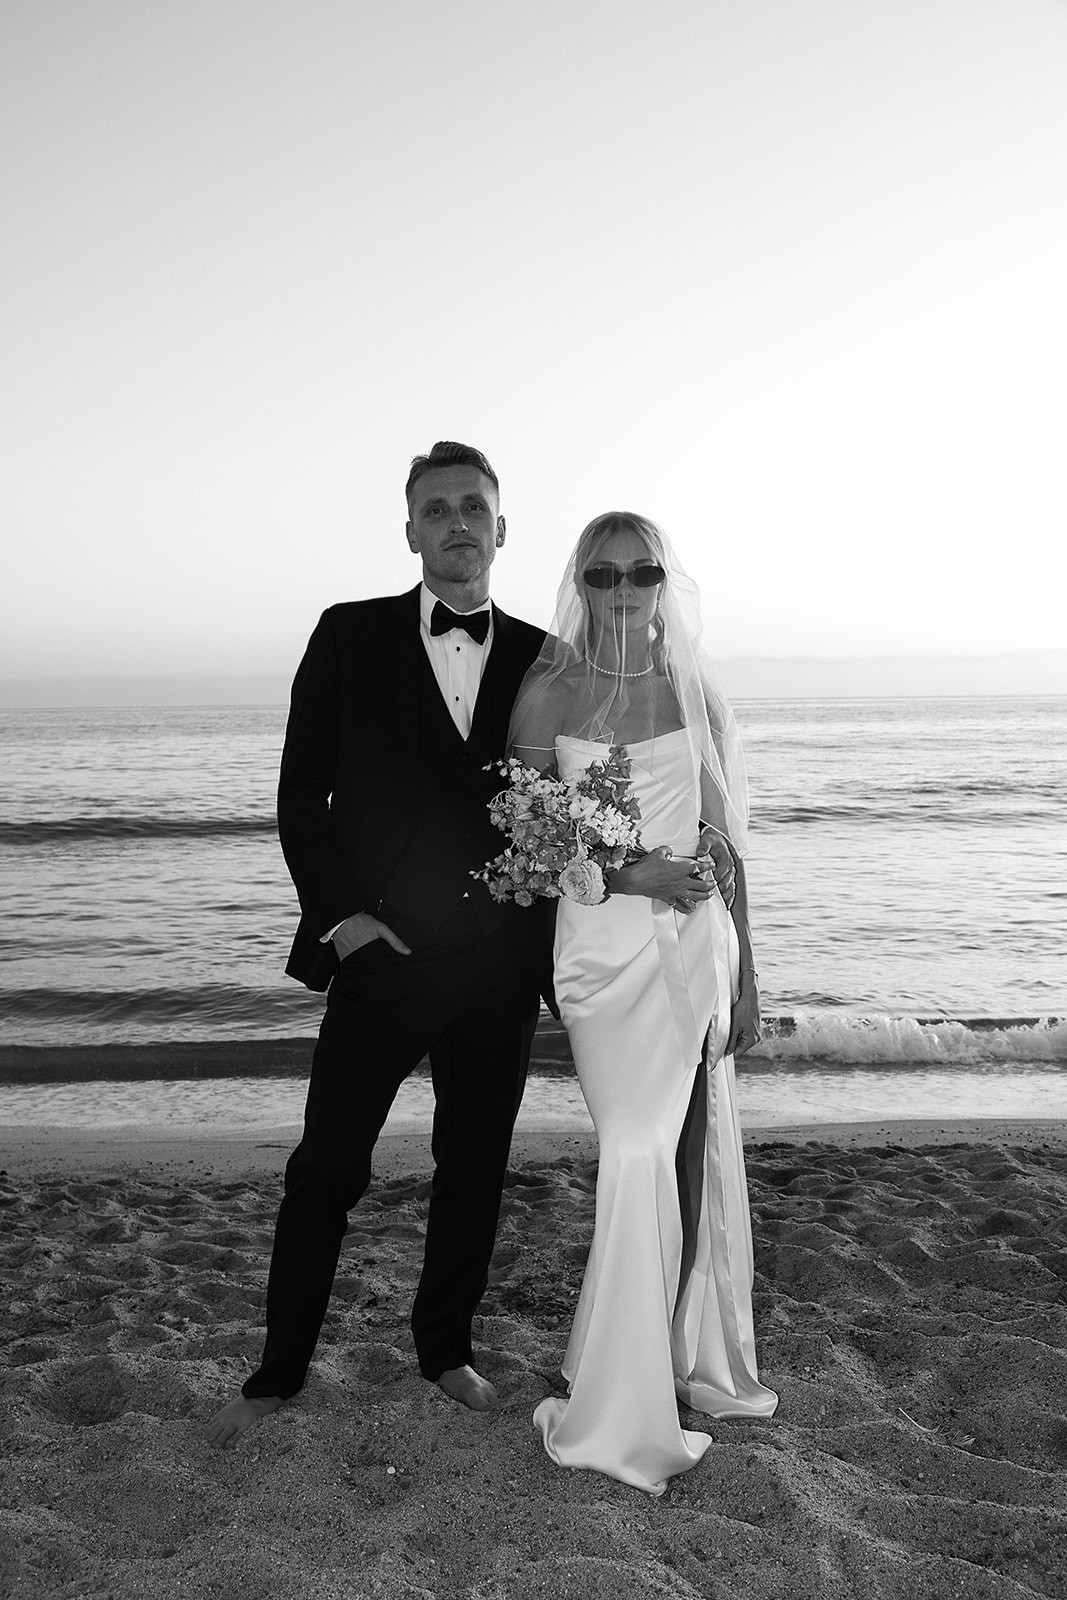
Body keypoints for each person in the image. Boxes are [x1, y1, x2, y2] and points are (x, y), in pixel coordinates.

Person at [206, 441, 551, 1448]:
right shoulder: (347, 636)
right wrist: (344, 919)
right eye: (436, 508)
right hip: (383, 954)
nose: (456, 523)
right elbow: (298, 792)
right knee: (326, 1165)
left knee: (474, 1163)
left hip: (496, 959)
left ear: (500, 526)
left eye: (473, 507)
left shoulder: (541, 655)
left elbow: (570, 801)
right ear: (409, 531)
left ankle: (443, 1348)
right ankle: (282, 1360)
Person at [509, 511, 778, 1496]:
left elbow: (725, 847)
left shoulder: (691, 688)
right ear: (580, 583)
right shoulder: (549, 691)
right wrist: (635, 873)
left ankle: (623, 1371)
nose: (623, 589)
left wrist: (747, 975)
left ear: (663, 579)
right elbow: (530, 849)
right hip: (597, 958)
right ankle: (615, 1388)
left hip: (690, 954)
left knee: (662, 1156)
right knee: (631, 1147)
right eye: (604, 573)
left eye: (641, 571)